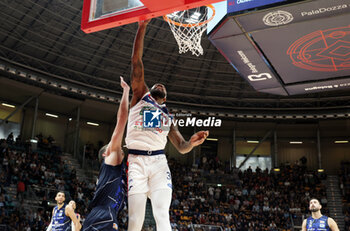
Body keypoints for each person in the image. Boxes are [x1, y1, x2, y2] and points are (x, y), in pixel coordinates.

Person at [126, 19, 209, 231]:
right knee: (135, 220)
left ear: (166, 97)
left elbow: (181, 147)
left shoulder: (168, 117)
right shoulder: (140, 96)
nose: (159, 85)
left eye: (163, 87)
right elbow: (136, 61)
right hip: (135, 160)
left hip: (158, 162)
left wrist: (191, 143)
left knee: (162, 214)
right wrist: (142, 27)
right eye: (156, 84)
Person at [82, 77, 129, 231]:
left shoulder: (115, 171)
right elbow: (121, 120)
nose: (119, 147)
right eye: (115, 147)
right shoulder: (111, 159)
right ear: (105, 154)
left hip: (103, 215)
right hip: (104, 214)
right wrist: (126, 91)